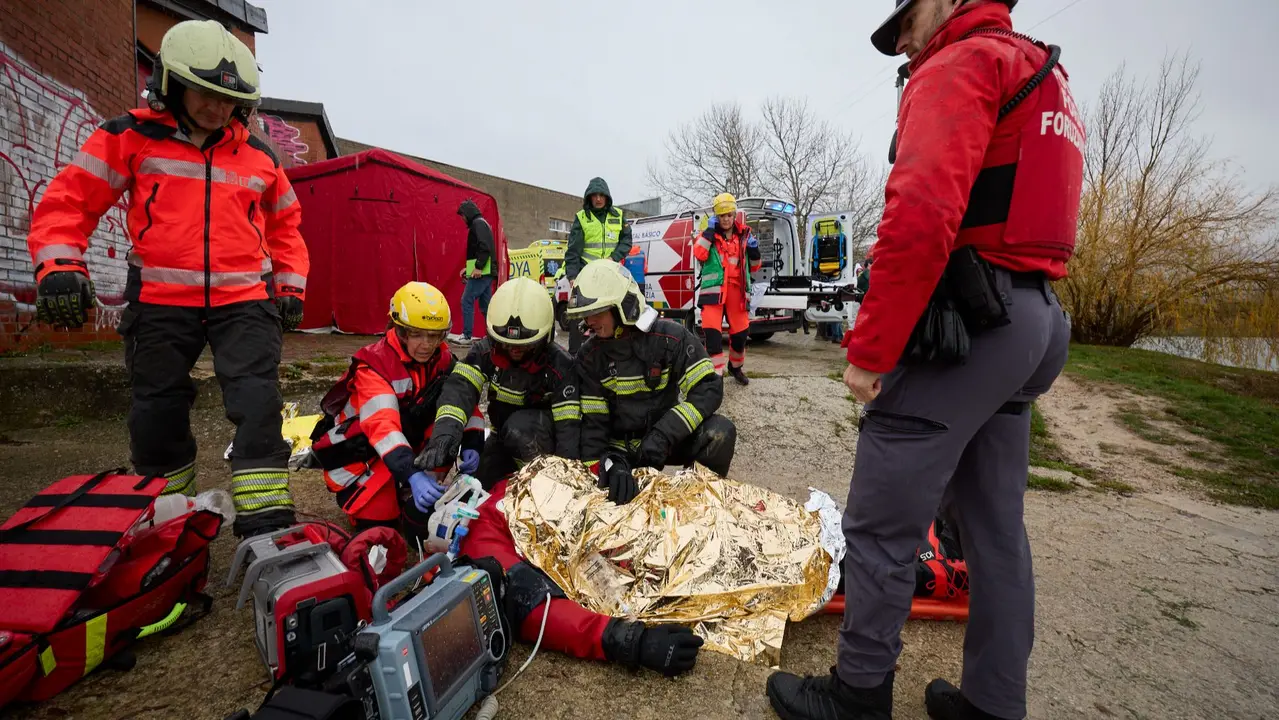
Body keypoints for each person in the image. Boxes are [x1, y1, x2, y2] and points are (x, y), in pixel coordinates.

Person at [765, 1, 1080, 719]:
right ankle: (993, 704)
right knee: (995, 529)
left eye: (906, 18)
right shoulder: (1042, 72)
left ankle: (857, 695)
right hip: (1034, 318)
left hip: (969, 327)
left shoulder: (962, 62)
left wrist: (871, 350)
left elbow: (920, 214)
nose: (903, 39)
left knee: (881, 523)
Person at [25, 20, 308, 538]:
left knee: (258, 403)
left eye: (228, 99)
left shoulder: (260, 157)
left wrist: (290, 286)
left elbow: (286, 225)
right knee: (157, 411)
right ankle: (169, 518)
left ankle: (266, 519)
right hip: (159, 300)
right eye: (205, 93)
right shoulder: (129, 136)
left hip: (245, 301)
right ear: (171, 83)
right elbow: (70, 201)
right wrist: (59, 264)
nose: (217, 108)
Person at [312, 282, 485, 539]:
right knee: (380, 526)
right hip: (365, 456)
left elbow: (463, 403)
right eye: (417, 334)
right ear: (400, 331)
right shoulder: (375, 364)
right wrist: (413, 475)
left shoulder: (444, 360)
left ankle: (419, 491)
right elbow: (382, 427)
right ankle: (405, 490)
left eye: (435, 335)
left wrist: (472, 442)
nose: (427, 344)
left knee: (445, 424)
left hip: (400, 449)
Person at [566, 260, 736, 503]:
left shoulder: (670, 339)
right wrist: (609, 466)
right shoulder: (590, 357)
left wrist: (665, 434)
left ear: (622, 307)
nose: (588, 321)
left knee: (719, 433)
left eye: (596, 312)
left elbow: (708, 389)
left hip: (667, 440)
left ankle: (699, 504)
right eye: (585, 314)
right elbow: (594, 428)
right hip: (621, 451)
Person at [415, 277, 580, 490]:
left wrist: (565, 479)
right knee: (476, 487)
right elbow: (460, 389)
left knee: (519, 428)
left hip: (543, 446)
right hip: (502, 437)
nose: (514, 350)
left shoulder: (560, 365)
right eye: (506, 344)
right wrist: (445, 432)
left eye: (525, 345)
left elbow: (568, 431)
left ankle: (536, 480)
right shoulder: (485, 351)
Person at [692, 193, 761, 385]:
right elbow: (699, 254)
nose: (726, 219)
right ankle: (716, 376)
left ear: (734, 215)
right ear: (717, 216)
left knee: (740, 335)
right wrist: (708, 232)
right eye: (722, 215)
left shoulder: (745, 236)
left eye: (729, 215)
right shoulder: (708, 235)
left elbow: (755, 267)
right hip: (713, 292)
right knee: (713, 336)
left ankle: (735, 367)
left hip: (737, 293)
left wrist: (754, 249)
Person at [563, 177, 633, 353]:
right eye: (595, 195)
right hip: (587, 277)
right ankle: (575, 357)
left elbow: (626, 241)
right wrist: (572, 277)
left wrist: (614, 257)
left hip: (611, 276)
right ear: (589, 197)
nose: (599, 199)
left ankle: (617, 352)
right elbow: (573, 251)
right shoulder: (582, 218)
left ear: (607, 196)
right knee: (579, 317)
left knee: (616, 315)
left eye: (602, 195)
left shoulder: (618, 215)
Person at [454, 199, 497, 344]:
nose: (462, 219)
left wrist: (478, 267)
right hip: (487, 271)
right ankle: (493, 336)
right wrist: (469, 268)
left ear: (468, 213)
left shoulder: (478, 224)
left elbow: (484, 247)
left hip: (482, 271)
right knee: (486, 306)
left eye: (462, 216)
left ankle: (467, 335)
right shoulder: (482, 223)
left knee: (467, 300)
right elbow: (483, 249)